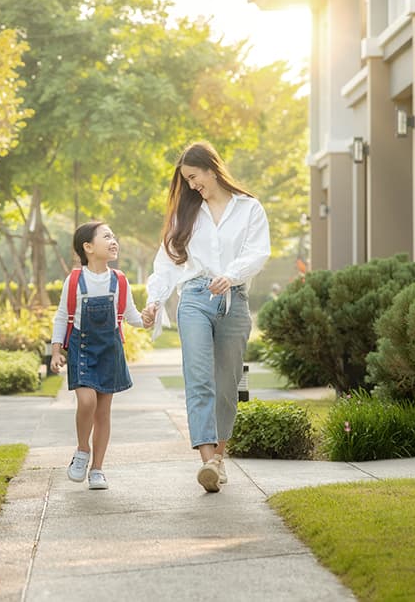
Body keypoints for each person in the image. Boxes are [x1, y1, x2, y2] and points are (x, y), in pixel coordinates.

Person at [143, 141, 270, 493]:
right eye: (186, 181)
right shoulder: (187, 214)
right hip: (195, 298)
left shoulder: (249, 209)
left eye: (194, 177)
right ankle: (207, 462)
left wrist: (230, 275)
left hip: (234, 299)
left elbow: (258, 253)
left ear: (212, 169)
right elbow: (167, 261)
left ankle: (218, 459)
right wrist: (154, 301)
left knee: (227, 384)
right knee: (199, 379)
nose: (192, 186)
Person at [50, 221, 146, 490]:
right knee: (86, 401)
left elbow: (132, 316)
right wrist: (56, 350)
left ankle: (97, 470)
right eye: (106, 237)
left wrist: (146, 318)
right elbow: (61, 317)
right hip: (82, 348)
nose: (113, 241)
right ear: (88, 247)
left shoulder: (120, 280)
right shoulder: (74, 280)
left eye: (114, 236)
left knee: (103, 412)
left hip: (110, 350)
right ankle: (82, 450)